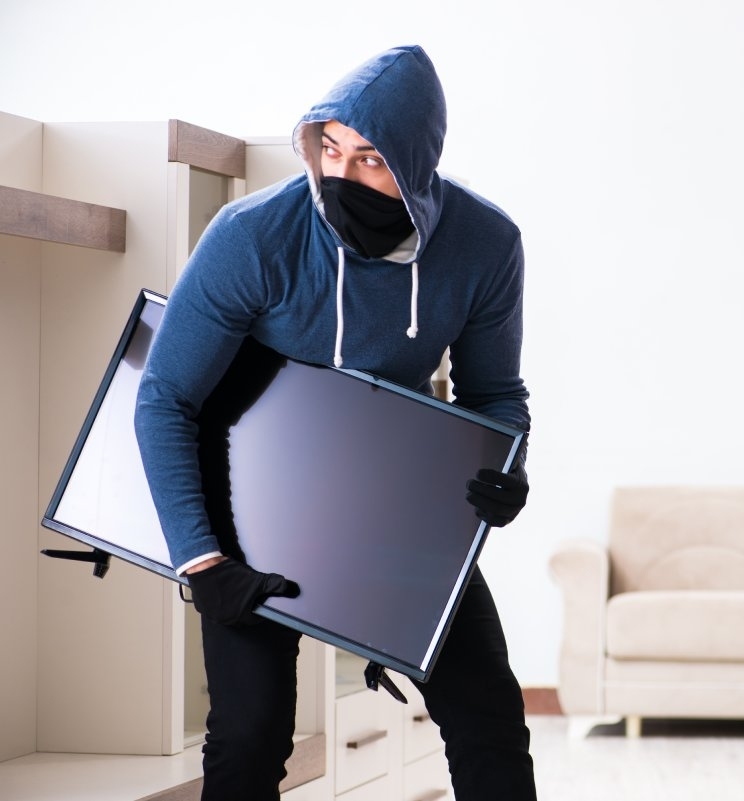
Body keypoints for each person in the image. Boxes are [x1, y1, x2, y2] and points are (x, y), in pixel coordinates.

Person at [135, 46, 536, 801]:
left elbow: (496, 393)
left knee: (490, 719)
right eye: (331, 148)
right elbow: (164, 397)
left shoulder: (486, 246)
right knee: (249, 737)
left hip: (392, 492)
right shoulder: (252, 235)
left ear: (416, 166)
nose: (343, 176)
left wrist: (504, 466)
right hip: (252, 495)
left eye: (372, 159)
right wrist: (202, 563)